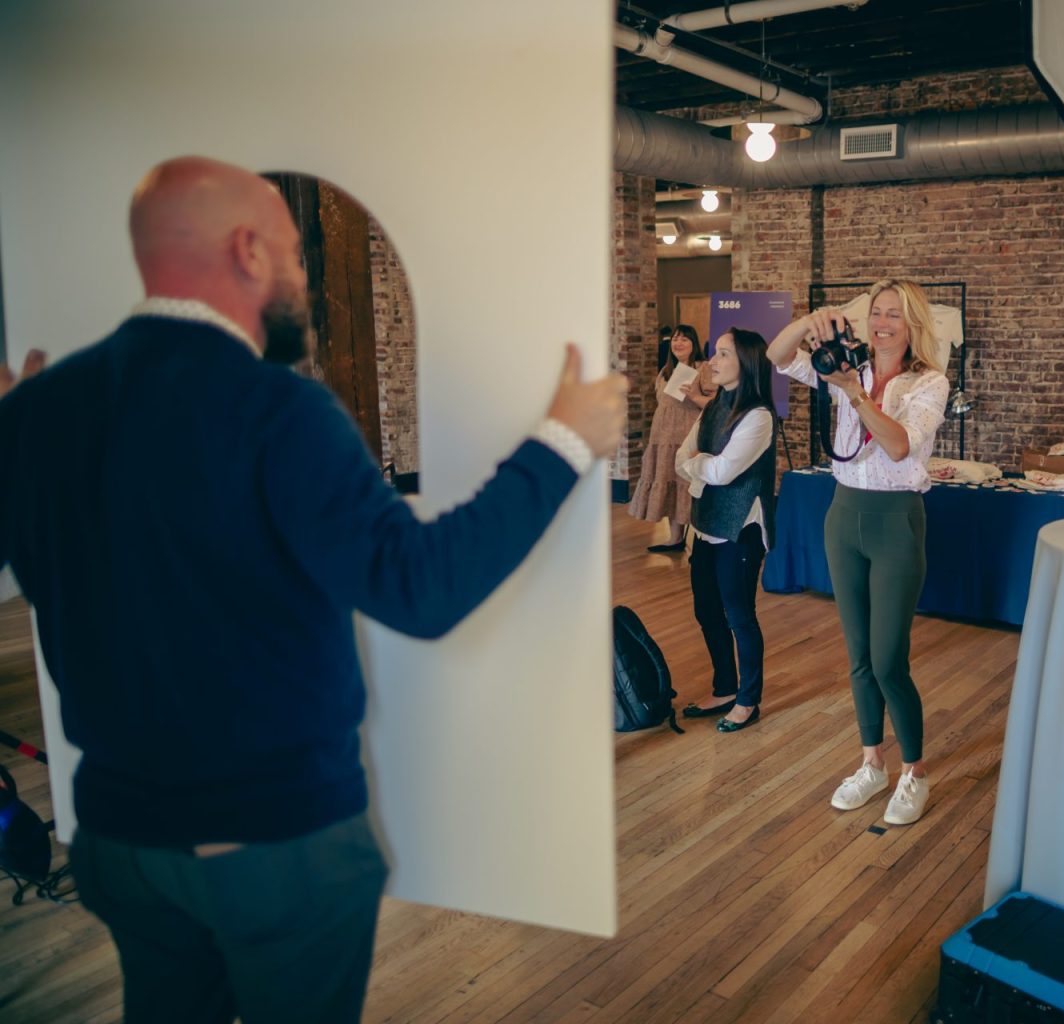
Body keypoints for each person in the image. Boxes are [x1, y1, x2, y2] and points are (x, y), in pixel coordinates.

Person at [0, 156, 626, 1024]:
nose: (302, 276)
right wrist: (565, 440)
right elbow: (420, 588)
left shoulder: (35, 411)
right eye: (296, 253)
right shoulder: (278, 410)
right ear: (249, 252)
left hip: (118, 842)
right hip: (272, 848)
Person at [767, 279, 949, 826]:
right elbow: (778, 356)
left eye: (894, 314)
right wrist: (811, 322)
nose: (882, 323)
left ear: (913, 323)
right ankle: (872, 763)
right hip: (843, 516)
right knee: (860, 658)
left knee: (889, 659)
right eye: (876, 313)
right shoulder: (847, 365)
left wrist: (853, 392)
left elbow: (898, 444)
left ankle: (914, 771)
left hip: (896, 522)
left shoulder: (929, 382)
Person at [674, 329, 777, 732]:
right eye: (714, 353)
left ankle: (748, 700)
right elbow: (681, 457)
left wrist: (698, 461)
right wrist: (701, 461)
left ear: (746, 363)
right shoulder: (714, 405)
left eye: (722, 354)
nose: (712, 361)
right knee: (706, 610)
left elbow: (721, 471)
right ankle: (724, 688)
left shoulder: (759, 416)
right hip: (705, 525)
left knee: (739, 616)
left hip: (740, 531)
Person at [629, 323, 712, 552]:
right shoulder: (665, 371)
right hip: (662, 439)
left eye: (684, 339)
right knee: (670, 485)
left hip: (686, 437)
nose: (678, 343)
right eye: (675, 339)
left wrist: (695, 396)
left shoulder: (703, 368)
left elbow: (716, 403)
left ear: (694, 343)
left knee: (687, 486)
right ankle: (675, 539)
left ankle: (702, 541)